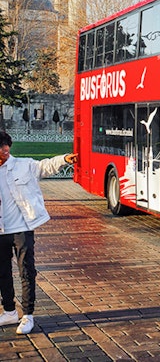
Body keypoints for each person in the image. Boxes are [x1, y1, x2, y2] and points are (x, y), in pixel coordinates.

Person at [0, 130, 77, 334]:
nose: (5, 151)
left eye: (6, 147)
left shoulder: (23, 165)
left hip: (22, 229)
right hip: (1, 231)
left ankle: (27, 315)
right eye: (1, 148)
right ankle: (9, 311)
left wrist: (64, 159)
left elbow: (44, 166)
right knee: (3, 273)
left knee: (26, 271)